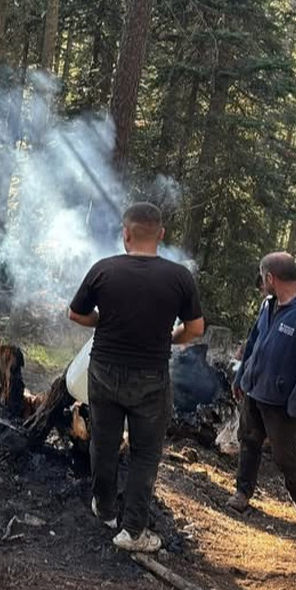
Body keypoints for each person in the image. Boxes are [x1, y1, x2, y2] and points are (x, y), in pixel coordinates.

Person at [67, 202, 205, 553]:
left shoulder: (104, 270)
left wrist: (103, 321)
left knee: (104, 441)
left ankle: (105, 507)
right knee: (145, 454)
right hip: (151, 379)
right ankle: (132, 531)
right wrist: (171, 339)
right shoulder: (179, 278)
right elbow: (195, 330)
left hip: (104, 371)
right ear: (160, 234)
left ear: (125, 234)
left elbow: (75, 314)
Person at [226, 252, 296, 523]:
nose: (262, 282)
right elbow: (253, 342)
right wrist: (241, 378)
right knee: (248, 441)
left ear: (271, 278)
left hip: (282, 402)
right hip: (254, 389)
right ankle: (242, 492)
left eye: (263, 278)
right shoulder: (268, 305)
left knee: (285, 454)